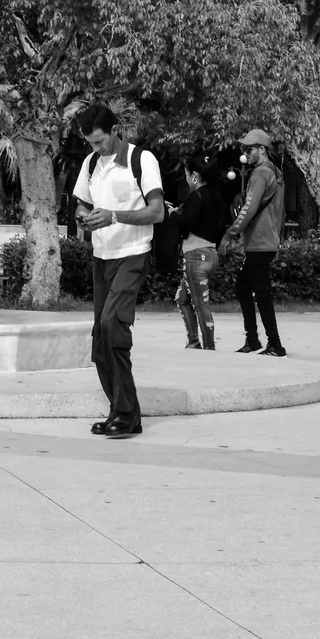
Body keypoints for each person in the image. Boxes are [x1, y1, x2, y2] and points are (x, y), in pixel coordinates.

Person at [73, 103, 164, 439]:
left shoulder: (142, 159)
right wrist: (83, 216)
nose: (95, 148)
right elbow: (82, 203)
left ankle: (125, 413)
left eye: (99, 141)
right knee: (100, 337)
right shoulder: (90, 163)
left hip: (133, 254)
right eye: (90, 143)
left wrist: (114, 216)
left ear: (115, 131)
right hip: (102, 256)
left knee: (113, 325)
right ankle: (121, 411)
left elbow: (157, 212)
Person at [219, 128, 286, 357]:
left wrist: (229, 235)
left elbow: (248, 208)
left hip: (259, 241)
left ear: (262, 150)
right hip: (267, 239)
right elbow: (280, 212)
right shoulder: (276, 173)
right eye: (244, 149)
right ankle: (253, 340)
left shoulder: (260, 174)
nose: (245, 153)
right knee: (244, 288)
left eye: (249, 149)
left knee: (262, 294)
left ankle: (275, 344)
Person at [174, 153, 224, 351]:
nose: (186, 179)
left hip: (195, 256)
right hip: (210, 254)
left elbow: (185, 225)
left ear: (194, 176)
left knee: (201, 304)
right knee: (182, 298)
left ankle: (209, 348)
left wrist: (173, 215)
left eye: (187, 175)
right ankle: (194, 342)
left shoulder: (196, 196)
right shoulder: (218, 197)